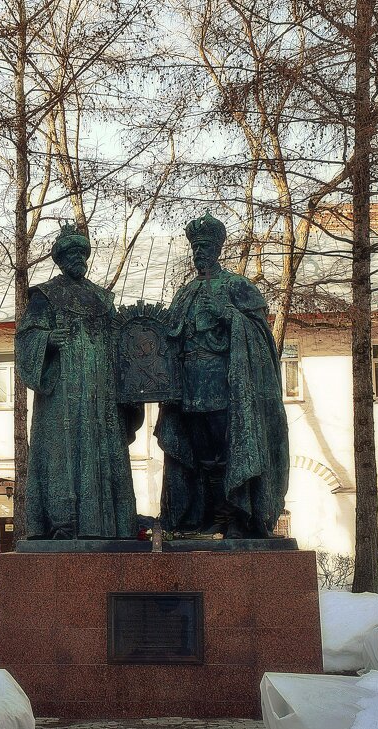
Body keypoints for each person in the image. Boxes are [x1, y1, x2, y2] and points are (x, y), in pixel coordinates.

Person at [155, 212, 289, 537]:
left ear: (217, 249)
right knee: (200, 455)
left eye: (205, 246)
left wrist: (228, 315)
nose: (200, 252)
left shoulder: (238, 286)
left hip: (224, 386)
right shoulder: (184, 293)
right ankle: (208, 514)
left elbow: (259, 337)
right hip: (189, 387)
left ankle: (236, 515)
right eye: (196, 247)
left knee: (226, 450)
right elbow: (169, 337)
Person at [15, 224, 138, 539]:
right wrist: (48, 338)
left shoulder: (101, 297)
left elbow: (120, 338)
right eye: (70, 254)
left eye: (81, 254)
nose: (77, 259)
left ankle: (110, 524)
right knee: (61, 454)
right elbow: (26, 336)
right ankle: (62, 523)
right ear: (60, 260)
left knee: (103, 453)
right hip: (63, 394)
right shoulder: (46, 295)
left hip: (102, 393)